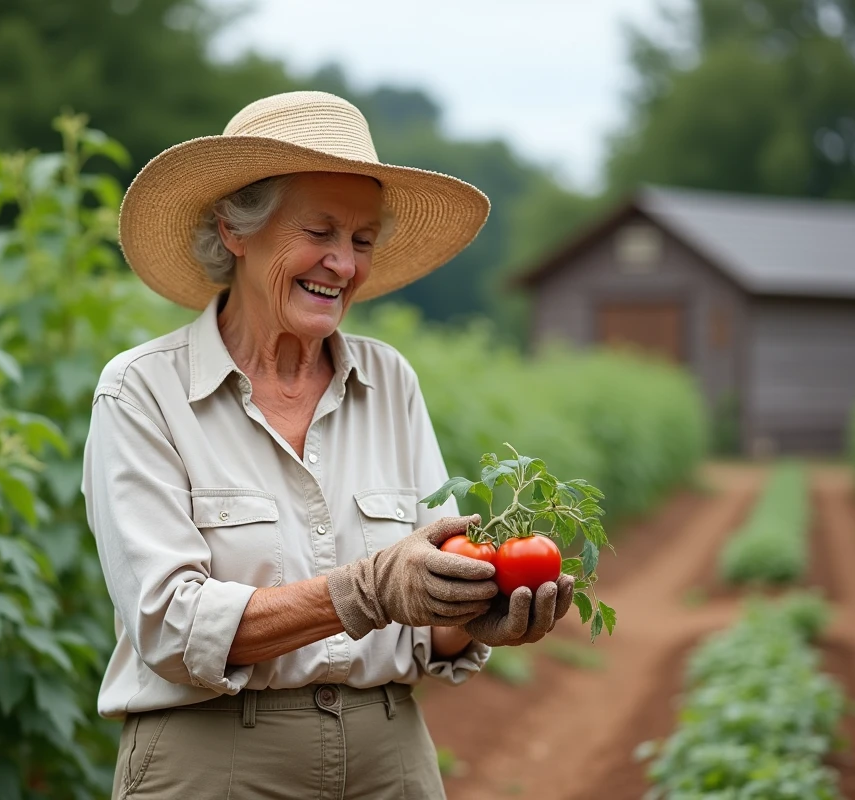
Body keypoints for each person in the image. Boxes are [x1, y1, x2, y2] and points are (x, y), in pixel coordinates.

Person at [82, 91, 576, 799]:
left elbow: (420, 609)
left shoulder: (389, 380)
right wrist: (365, 589)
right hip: (215, 765)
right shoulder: (142, 391)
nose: (342, 265)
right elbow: (170, 624)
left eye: (363, 240)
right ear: (235, 230)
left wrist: (471, 618)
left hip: (390, 760)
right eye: (320, 233)